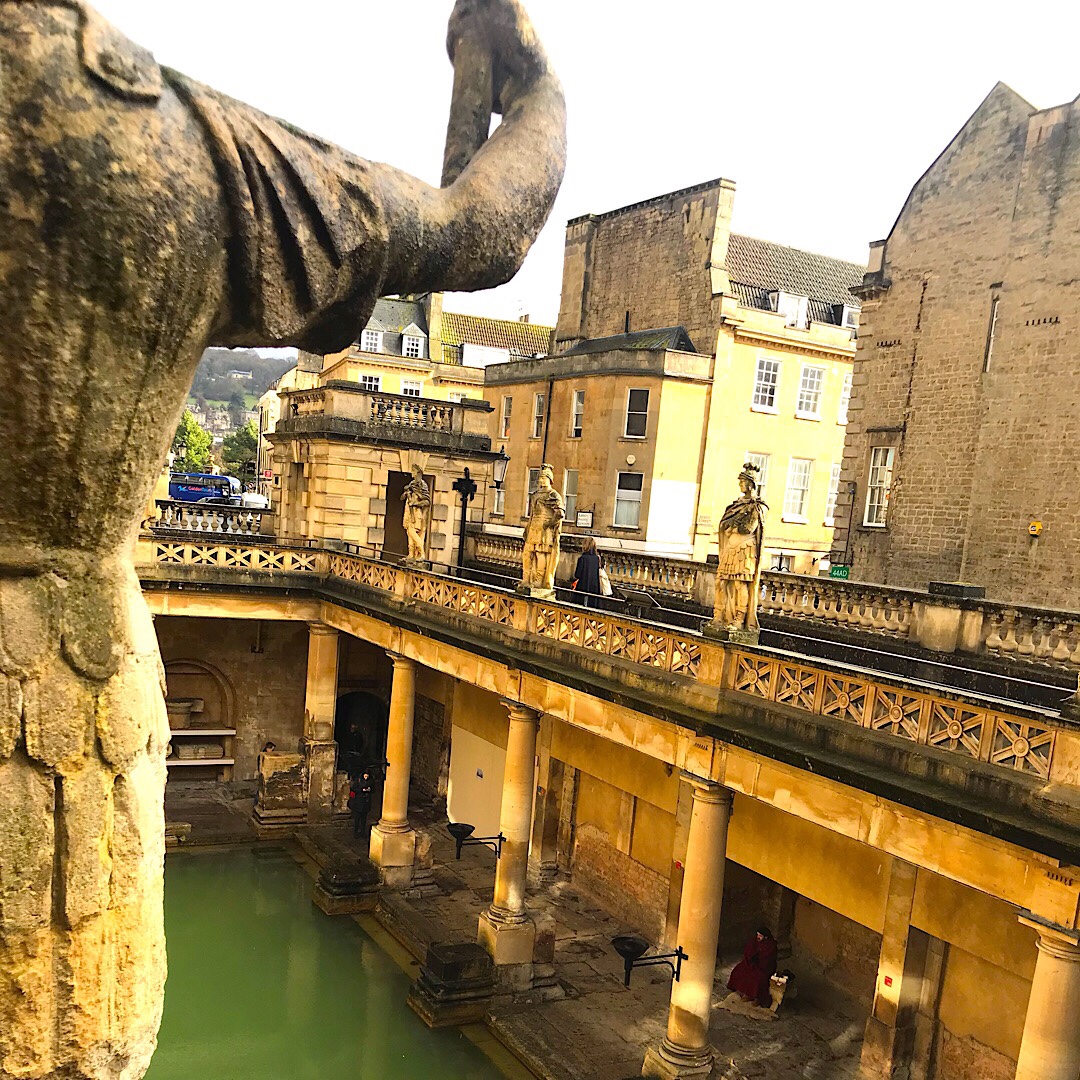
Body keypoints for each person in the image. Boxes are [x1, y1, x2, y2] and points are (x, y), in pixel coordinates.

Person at [714, 463, 768, 630]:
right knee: (721, 582)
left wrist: (733, 526)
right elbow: (723, 524)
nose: (740, 484)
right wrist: (731, 525)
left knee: (740, 584)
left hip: (745, 549)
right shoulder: (734, 506)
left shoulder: (758, 506)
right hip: (731, 548)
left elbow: (748, 527)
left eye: (743, 482)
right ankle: (719, 616)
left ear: (751, 484)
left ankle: (739, 619)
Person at [520, 464, 564, 591]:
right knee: (527, 554)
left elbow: (560, 513)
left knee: (540, 554)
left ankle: (538, 581)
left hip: (544, 530)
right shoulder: (535, 495)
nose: (541, 480)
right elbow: (532, 514)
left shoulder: (553, 495)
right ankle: (526, 579)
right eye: (540, 478)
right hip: (533, 527)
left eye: (544, 477)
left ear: (550, 479)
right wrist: (527, 528)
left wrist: (548, 524)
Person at [727, 926, 778, 1007]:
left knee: (756, 979)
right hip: (752, 964)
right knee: (739, 970)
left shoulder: (771, 945)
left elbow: (768, 960)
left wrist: (758, 957)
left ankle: (754, 997)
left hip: (763, 968)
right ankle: (745, 992)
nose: (758, 937)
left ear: (766, 937)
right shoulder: (754, 941)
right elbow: (748, 951)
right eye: (757, 935)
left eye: (760, 936)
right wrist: (751, 959)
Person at [401, 464, 432, 562]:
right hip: (408, 512)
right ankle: (411, 554)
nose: (412, 473)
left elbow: (427, 501)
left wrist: (415, 503)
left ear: (418, 473)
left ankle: (422, 553)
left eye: (413, 471)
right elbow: (402, 497)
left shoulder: (423, 485)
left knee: (412, 532)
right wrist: (406, 494)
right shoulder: (412, 484)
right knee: (409, 533)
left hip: (416, 512)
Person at [573, 537, 602, 608]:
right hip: (594, 588)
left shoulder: (582, 558)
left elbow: (577, 575)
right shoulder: (597, 558)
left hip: (583, 588)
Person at [348, 771, 374, 840]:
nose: (366, 777)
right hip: (358, 802)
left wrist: (369, 790)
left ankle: (362, 832)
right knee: (357, 819)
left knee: (363, 819)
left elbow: (373, 790)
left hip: (366, 803)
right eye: (365, 776)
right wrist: (361, 790)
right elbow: (353, 788)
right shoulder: (358, 781)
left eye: (367, 776)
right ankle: (356, 832)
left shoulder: (370, 781)